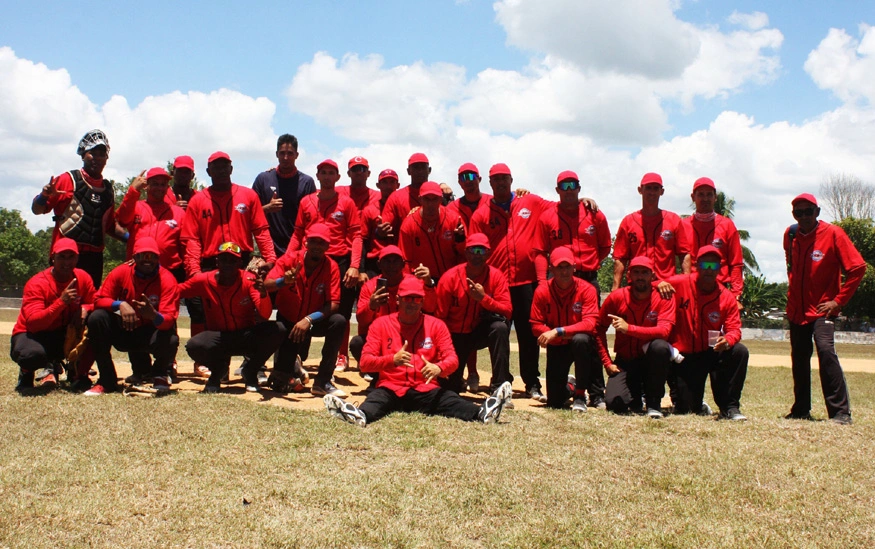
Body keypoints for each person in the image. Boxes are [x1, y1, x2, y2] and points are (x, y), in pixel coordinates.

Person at [323, 277, 513, 426]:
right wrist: (392, 360)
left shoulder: (436, 325)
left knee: (451, 400)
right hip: (391, 387)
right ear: (397, 300)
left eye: (416, 299)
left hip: (426, 389)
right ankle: (359, 416)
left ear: (422, 302)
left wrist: (439, 368)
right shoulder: (380, 324)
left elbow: (452, 359)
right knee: (375, 401)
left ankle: (483, 413)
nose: (411, 303)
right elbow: (365, 362)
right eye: (407, 298)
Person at [469, 163, 550, 402]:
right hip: (497, 284)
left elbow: (560, 208)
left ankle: (532, 383)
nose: (501, 183)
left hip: (526, 282)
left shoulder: (530, 202)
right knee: (499, 332)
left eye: (504, 178)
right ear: (490, 183)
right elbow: (475, 249)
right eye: (496, 179)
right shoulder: (482, 214)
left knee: (528, 334)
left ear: (512, 180)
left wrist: (584, 200)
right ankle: (501, 382)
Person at [783, 193, 866, 425]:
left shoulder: (833, 234)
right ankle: (801, 409)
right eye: (799, 212)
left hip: (823, 311)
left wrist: (838, 301)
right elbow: (791, 267)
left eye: (808, 211)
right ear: (794, 215)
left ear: (817, 212)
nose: (804, 216)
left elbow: (858, 268)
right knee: (799, 358)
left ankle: (840, 413)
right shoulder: (790, 235)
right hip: (797, 311)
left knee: (826, 353)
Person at [179, 241, 285, 393]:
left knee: (277, 329)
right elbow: (176, 291)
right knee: (194, 345)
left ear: (240, 263)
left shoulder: (249, 280)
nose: (228, 264)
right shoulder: (203, 280)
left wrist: (263, 294)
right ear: (217, 262)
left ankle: (251, 370)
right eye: (224, 260)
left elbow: (264, 314)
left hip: (245, 335)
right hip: (219, 337)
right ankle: (217, 372)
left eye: (232, 260)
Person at [657, 246, 748, 420]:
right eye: (705, 265)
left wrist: (728, 340)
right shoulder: (680, 283)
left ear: (720, 270)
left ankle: (730, 407)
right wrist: (659, 283)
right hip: (684, 355)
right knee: (688, 409)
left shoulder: (726, 296)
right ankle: (694, 402)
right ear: (697, 266)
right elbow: (651, 286)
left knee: (739, 351)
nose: (708, 270)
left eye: (713, 266)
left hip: (711, 349)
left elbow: (734, 329)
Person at [288, 159, 363, 371]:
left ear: (338, 177)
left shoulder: (347, 203)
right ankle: (298, 357)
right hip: (310, 261)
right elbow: (297, 234)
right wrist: (288, 259)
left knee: (341, 314)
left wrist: (354, 265)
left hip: (339, 262)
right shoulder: (306, 202)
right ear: (317, 176)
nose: (328, 176)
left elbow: (356, 236)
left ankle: (340, 356)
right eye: (324, 172)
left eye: (332, 173)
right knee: (306, 307)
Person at [85, 237, 180, 395]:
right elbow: (97, 300)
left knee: (171, 335)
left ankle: (160, 374)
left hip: (150, 333)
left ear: (158, 258)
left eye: (152, 256)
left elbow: (169, 319)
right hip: (126, 330)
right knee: (97, 318)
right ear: (134, 258)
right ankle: (107, 380)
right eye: (143, 256)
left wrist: (154, 315)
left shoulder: (167, 279)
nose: (147, 261)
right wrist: (119, 305)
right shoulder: (120, 272)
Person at [264, 224, 347, 397]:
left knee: (338, 321)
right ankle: (291, 368)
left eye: (322, 243)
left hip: (314, 321)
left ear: (327, 246)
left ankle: (323, 381)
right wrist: (282, 282)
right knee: (282, 384)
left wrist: (309, 319)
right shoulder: (289, 260)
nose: (317, 246)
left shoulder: (331, 267)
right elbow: (266, 285)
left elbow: (334, 303)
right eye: (313, 241)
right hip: (289, 321)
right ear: (305, 242)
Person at [30, 129, 119, 288]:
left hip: (94, 258)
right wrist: (44, 196)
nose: (97, 158)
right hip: (66, 255)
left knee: (89, 305)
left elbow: (110, 226)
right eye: (93, 153)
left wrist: (134, 238)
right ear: (83, 154)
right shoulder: (67, 180)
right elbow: (37, 210)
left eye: (101, 154)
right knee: (61, 301)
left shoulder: (108, 190)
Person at [11, 238, 96, 393]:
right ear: (52, 258)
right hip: (33, 334)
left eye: (71, 257)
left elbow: (95, 301)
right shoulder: (37, 283)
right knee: (31, 355)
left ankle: (77, 373)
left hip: (62, 333)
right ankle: (26, 373)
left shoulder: (83, 278)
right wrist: (61, 302)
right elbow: (34, 324)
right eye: (61, 257)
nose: (67, 262)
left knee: (96, 323)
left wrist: (85, 308)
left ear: (77, 258)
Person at [598, 256, 676, 418]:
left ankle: (653, 403)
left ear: (653, 275)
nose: (640, 276)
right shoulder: (617, 297)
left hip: (650, 362)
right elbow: (598, 329)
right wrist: (607, 362)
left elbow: (664, 331)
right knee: (615, 404)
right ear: (629, 275)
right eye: (636, 272)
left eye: (645, 272)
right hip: (625, 361)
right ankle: (636, 394)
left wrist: (629, 328)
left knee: (660, 346)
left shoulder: (664, 297)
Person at [436, 233, 513, 395]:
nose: (477, 255)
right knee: (450, 389)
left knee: (500, 328)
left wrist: (484, 299)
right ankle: (457, 380)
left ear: (489, 254)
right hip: (455, 336)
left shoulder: (496, 276)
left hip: (480, 331)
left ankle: (499, 387)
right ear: (465, 253)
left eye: (481, 251)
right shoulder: (450, 277)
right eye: (473, 250)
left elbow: (507, 310)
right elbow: (439, 318)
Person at [531, 246, 601, 411]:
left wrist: (557, 331)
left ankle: (580, 395)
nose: (564, 272)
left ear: (574, 268)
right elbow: (535, 325)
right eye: (559, 267)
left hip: (576, 342)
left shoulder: (587, 289)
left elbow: (591, 323)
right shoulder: (542, 290)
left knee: (581, 339)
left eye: (567, 266)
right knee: (555, 402)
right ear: (551, 269)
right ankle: (571, 387)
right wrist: (554, 335)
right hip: (557, 346)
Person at [350, 245, 437, 367]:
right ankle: (375, 371)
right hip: (381, 340)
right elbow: (361, 321)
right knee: (357, 343)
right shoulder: (369, 286)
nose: (391, 266)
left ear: (403, 264)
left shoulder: (414, 282)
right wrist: (371, 306)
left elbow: (431, 307)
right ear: (379, 264)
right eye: (387, 261)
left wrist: (428, 283)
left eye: (395, 261)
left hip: (409, 337)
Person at [533, 170, 611, 296]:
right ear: (557, 190)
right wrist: (542, 283)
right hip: (558, 279)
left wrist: (590, 261)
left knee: (591, 315)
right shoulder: (547, 217)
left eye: (572, 185)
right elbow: (540, 252)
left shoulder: (595, 214)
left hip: (588, 277)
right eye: (564, 186)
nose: (569, 190)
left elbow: (605, 247)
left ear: (579, 188)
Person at [612, 172, 691, 291]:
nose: (652, 192)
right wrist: (615, 288)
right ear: (640, 190)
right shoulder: (628, 221)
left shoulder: (673, 220)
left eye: (656, 188)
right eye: (648, 188)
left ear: (662, 191)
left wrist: (687, 283)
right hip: (637, 286)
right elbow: (621, 258)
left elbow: (684, 254)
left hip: (668, 286)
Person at [681, 177, 744, 306]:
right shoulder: (683, 225)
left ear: (715, 197)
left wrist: (736, 294)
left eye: (709, 195)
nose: (705, 199)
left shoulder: (727, 225)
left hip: (719, 291)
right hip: (692, 291)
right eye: (701, 194)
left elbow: (736, 263)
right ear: (693, 197)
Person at [251, 134, 317, 256]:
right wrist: (267, 208)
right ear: (276, 154)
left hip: (298, 251)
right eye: (282, 153)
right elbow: (249, 215)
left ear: (297, 155)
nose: (286, 157)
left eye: (290, 153)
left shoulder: (307, 182)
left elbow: (312, 220)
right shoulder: (263, 179)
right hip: (267, 253)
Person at [116, 167, 186, 279]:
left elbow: (186, 246)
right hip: (137, 271)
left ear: (167, 188)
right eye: (155, 184)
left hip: (170, 272)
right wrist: (133, 190)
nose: (159, 187)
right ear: (146, 186)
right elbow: (123, 220)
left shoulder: (178, 213)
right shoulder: (136, 207)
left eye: (163, 184)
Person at [399, 181, 466, 280]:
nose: (430, 204)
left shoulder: (454, 219)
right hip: (422, 281)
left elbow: (464, 253)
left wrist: (460, 239)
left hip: (451, 278)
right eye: (426, 199)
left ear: (440, 199)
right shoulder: (408, 225)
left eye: (434, 199)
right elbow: (405, 261)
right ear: (420, 199)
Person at [378, 152, 432, 244]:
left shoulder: (437, 194)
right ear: (408, 171)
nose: (419, 171)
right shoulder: (396, 197)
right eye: (415, 167)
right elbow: (384, 226)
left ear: (429, 170)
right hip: (407, 250)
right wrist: (379, 232)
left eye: (423, 167)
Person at [360, 169, 401, 277]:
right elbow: (363, 241)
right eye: (385, 182)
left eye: (392, 182)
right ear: (378, 185)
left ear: (398, 185)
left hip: (398, 260)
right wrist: (361, 270)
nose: (389, 186)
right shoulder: (369, 210)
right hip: (375, 262)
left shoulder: (403, 208)